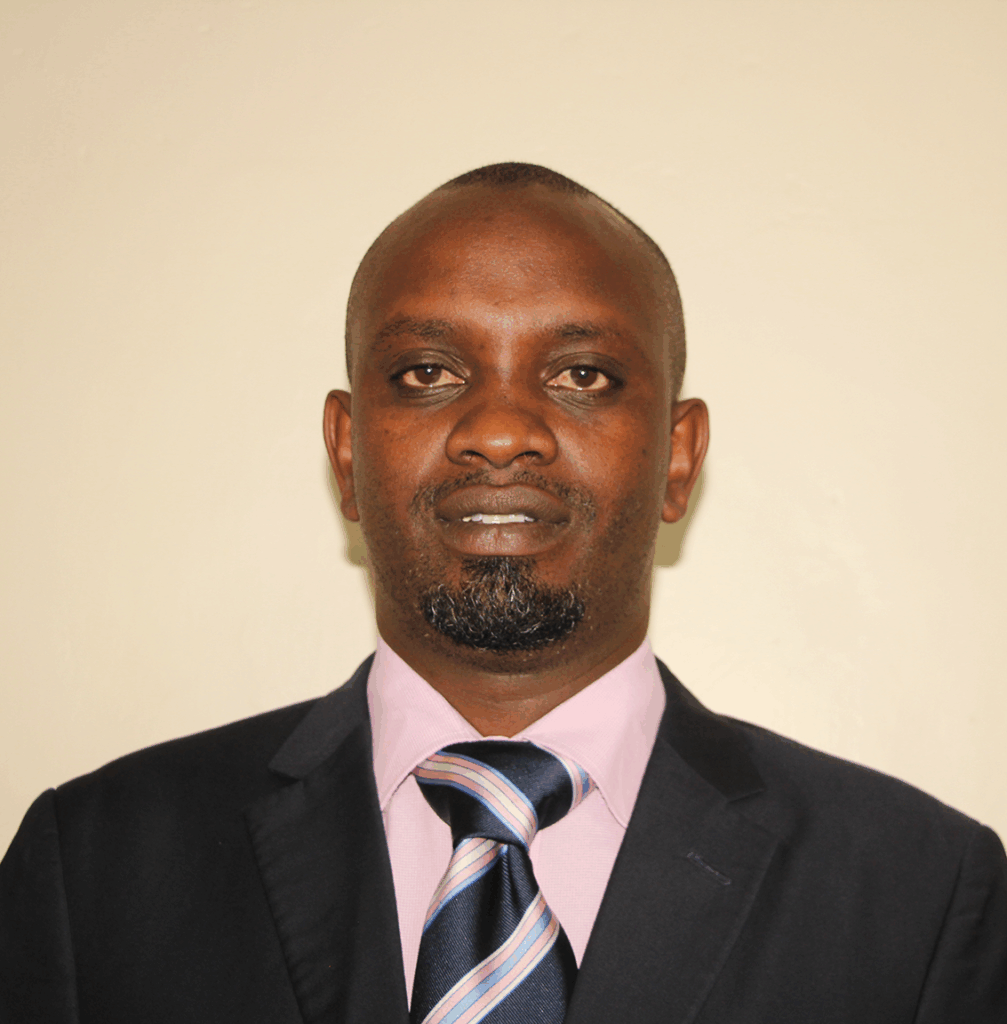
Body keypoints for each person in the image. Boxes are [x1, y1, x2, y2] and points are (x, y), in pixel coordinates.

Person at [1, 162, 1004, 1023]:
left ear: (677, 457)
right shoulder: (90, 871)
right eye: (427, 372)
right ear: (346, 452)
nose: (498, 430)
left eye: (581, 376)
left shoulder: (919, 896)